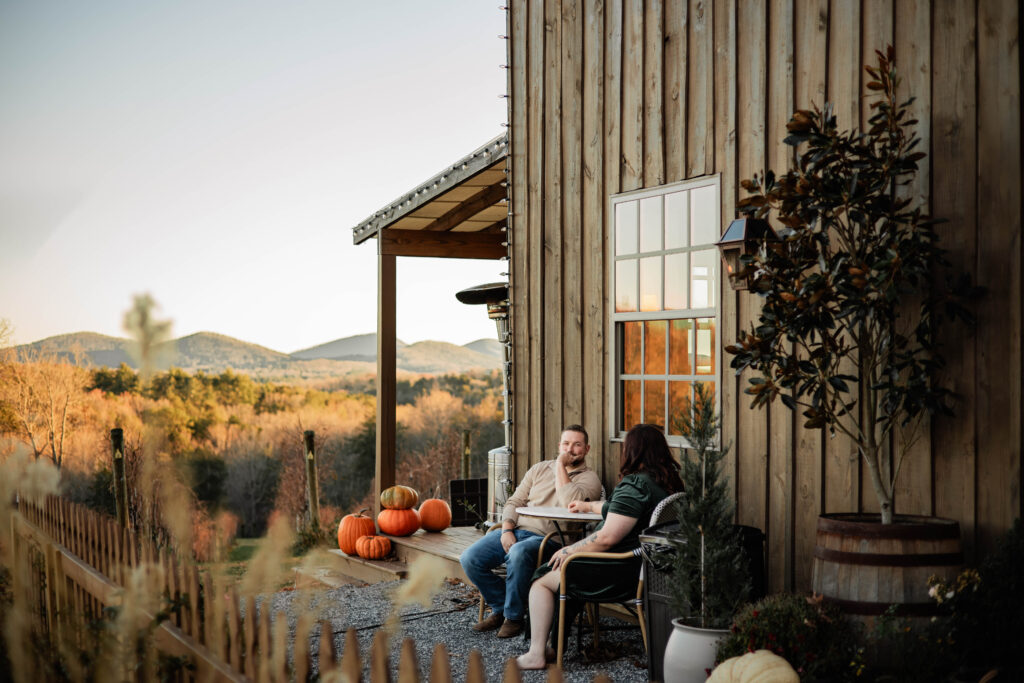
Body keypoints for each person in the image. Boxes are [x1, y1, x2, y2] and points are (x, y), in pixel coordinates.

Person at [516, 423, 684, 669]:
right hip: (647, 568)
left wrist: (570, 549)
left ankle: (536, 653)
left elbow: (607, 538)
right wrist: (588, 506)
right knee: (568, 569)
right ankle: (554, 643)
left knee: (544, 577)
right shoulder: (668, 484)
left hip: (618, 570)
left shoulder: (635, 485)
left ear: (632, 451)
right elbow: (620, 511)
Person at [460, 424, 603, 638]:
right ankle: (501, 607)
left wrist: (560, 466)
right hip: (517, 531)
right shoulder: (539, 469)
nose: (570, 449)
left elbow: (569, 502)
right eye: (566, 444)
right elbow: (514, 501)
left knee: (518, 552)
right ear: (559, 445)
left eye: (577, 445)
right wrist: (507, 529)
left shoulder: (589, 478)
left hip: (552, 539)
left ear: (587, 449)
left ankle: (514, 618)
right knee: (470, 558)